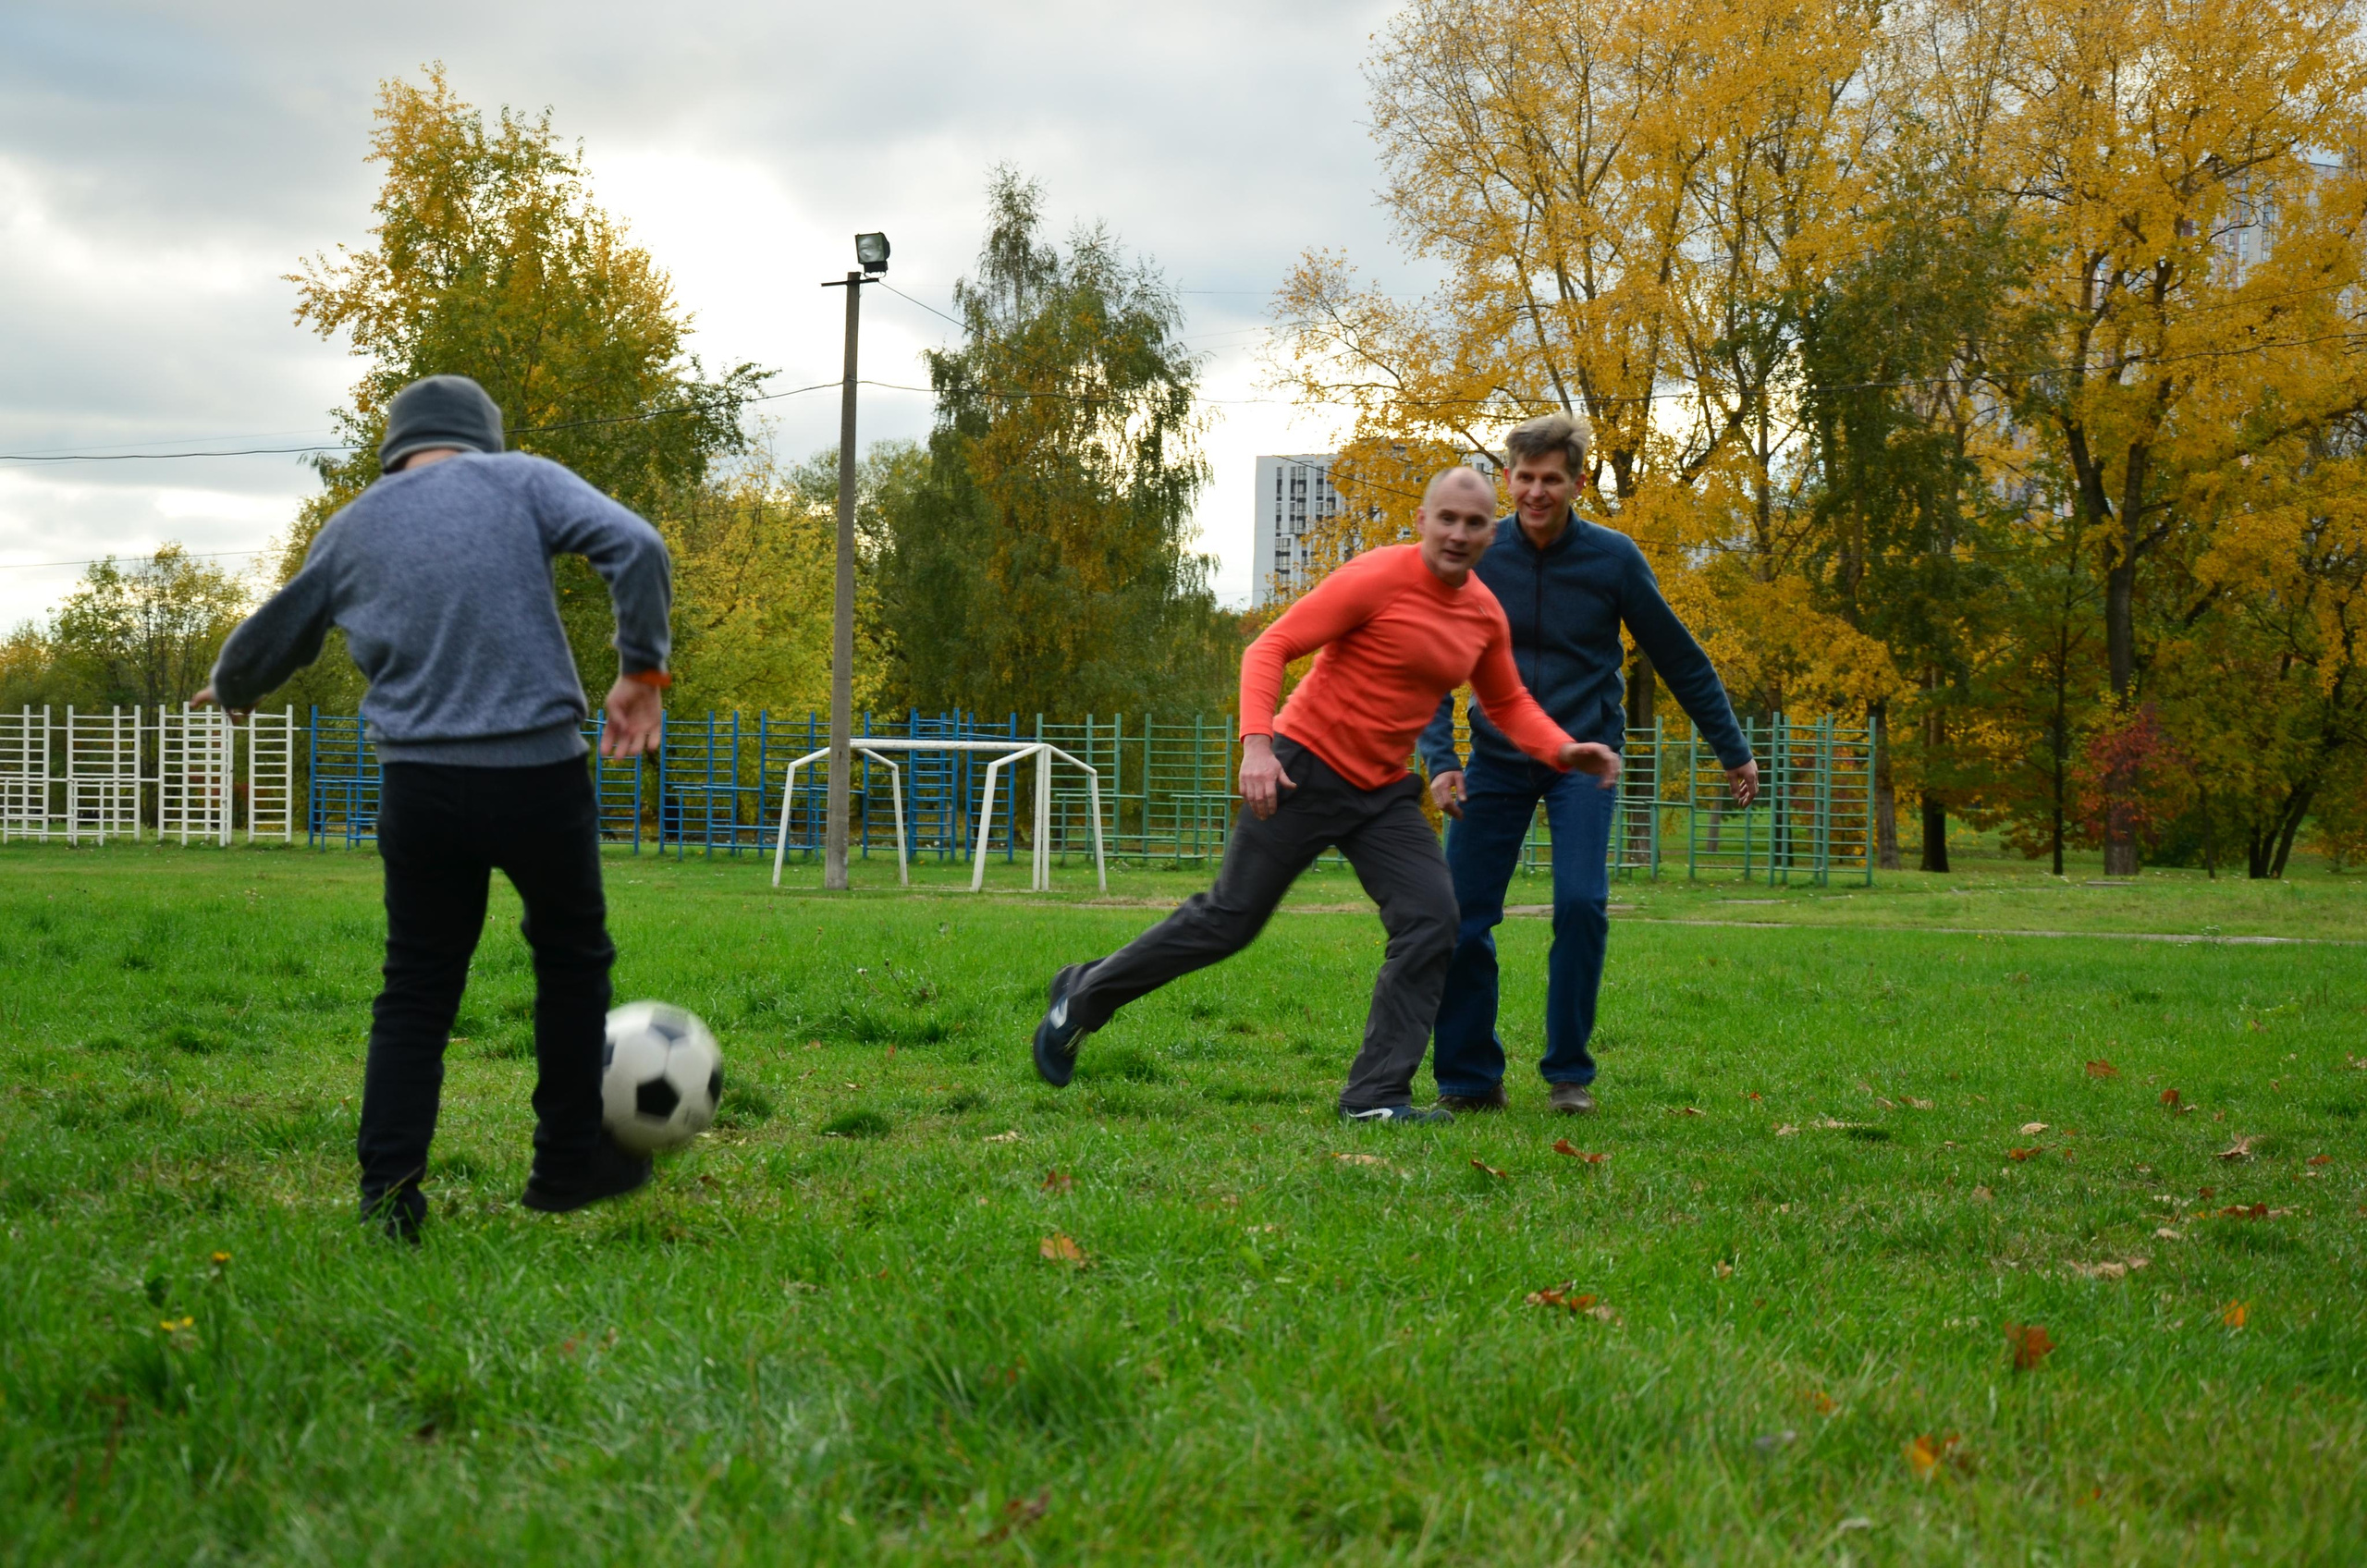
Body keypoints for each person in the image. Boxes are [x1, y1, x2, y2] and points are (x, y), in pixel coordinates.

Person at [196, 374, 673, 1239]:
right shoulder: (522, 480)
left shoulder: (354, 524)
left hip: (419, 787)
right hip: (537, 775)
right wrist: (641, 670)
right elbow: (636, 545)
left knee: (416, 987)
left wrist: (234, 684)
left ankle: (388, 1199)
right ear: (485, 438)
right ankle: (568, 1163)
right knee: (570, 960)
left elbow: (281, 627)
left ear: (396, 448)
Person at [1030, 465, 1620, 1122]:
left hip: (1382, 793)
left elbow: (1507, 702)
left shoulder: (1483, 614)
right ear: (1423, 522)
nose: (1458, 533)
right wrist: (1258, 746)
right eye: (1447, 519)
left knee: (1434, 920)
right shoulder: (1378, 575)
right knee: (1229, 921)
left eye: (1474, 523)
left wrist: (1562, 749)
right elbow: (1270, 647)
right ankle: (1081, 999)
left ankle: (1375, 1096)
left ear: (1491, 534)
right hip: (1303, 769)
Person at [1416, 413, 1757, 1117]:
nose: (1536, 492)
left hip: (1584, 761)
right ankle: (1470, 1079)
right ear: (1508, 479)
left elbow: (1680, 657)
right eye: (1525, 478)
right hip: (1497, 760)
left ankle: (1568, 1075)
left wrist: (1732, 749)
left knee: (1580, 904)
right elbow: (1426, 663)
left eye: (1552, 479)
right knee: (1460, 918)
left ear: (1577, 483)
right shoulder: (1480, 554)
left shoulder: (1613, 558)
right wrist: (1442, 759)